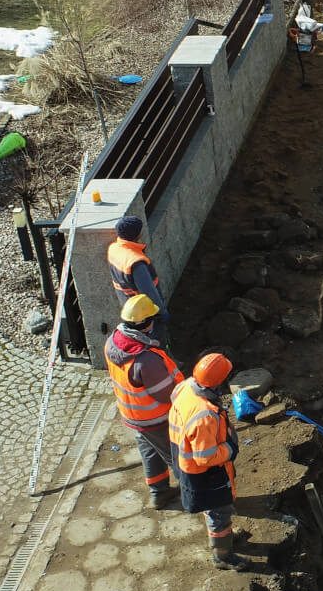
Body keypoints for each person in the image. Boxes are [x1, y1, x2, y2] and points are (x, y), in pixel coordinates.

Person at [169, 352, 248, 569]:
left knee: (214, 510)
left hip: (183, 460)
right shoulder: (204, 415)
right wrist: (229, 448)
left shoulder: (186, 387)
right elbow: (205, 458)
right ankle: (223, 555)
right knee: (218, 510)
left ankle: (224, 538)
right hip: (203, 473)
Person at [105, 295, 184, 509]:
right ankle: (194, 497)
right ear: (146, 324)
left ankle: (159, 493)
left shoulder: (113, 341)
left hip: (133, 415)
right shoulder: (146, 360)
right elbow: (166, 394)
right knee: (178, 459)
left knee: (150, 452)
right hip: (156, 418)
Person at [107, 215, 168, 328]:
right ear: (137, 235)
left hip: (129, 309)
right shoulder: (136, 262)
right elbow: (149, 292)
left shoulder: (113, 249)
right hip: (145, 313)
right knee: (155, 340)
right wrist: (162, 312)